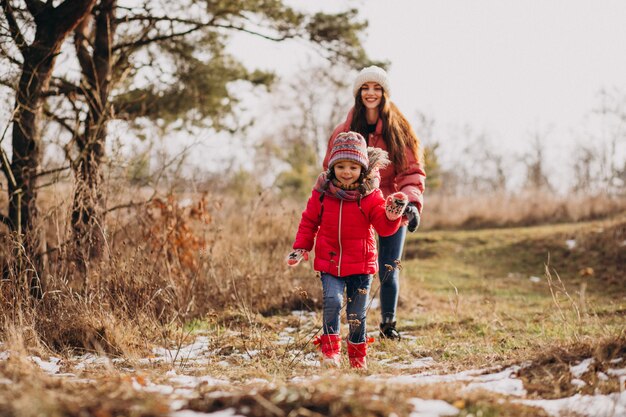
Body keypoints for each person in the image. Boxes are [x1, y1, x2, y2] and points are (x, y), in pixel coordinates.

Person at [286, 131, 409, 369]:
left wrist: (392, 216)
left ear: (362, 169)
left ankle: (357, 358)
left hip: (361, 265)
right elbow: (309, 221)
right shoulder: (322, 194)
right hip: (329, 261)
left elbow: (383, 228)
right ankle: (330, 353)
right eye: (340, 166)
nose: (346, 172)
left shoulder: (371, 195)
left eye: (353, 167)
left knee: (356, 314)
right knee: (332, 300)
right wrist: (301, 247)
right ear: (332, 167)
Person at [322, 66, 426, 341]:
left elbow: (411, 172)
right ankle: (349, 326)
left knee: (388, 266)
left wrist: (411, 203)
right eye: (365, 88)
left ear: (385, 93)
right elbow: (328, 171)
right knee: (353, 267)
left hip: (392, 206)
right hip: (355, 206)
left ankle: (388, 324)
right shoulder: (343, 131)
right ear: (358, 93)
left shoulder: (399, 130)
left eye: (377, 88)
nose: (371, 93)